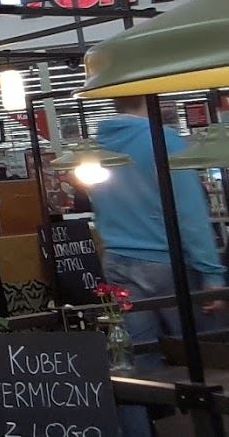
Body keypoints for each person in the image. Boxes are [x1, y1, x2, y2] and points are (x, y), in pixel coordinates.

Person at [92, 97, 225, 437]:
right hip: (167, 264)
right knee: (206, 358)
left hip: (117, 262)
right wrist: (211, 272)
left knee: (134, 362)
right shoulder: (163, 140)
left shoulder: (97, 146)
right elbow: (189, 212)